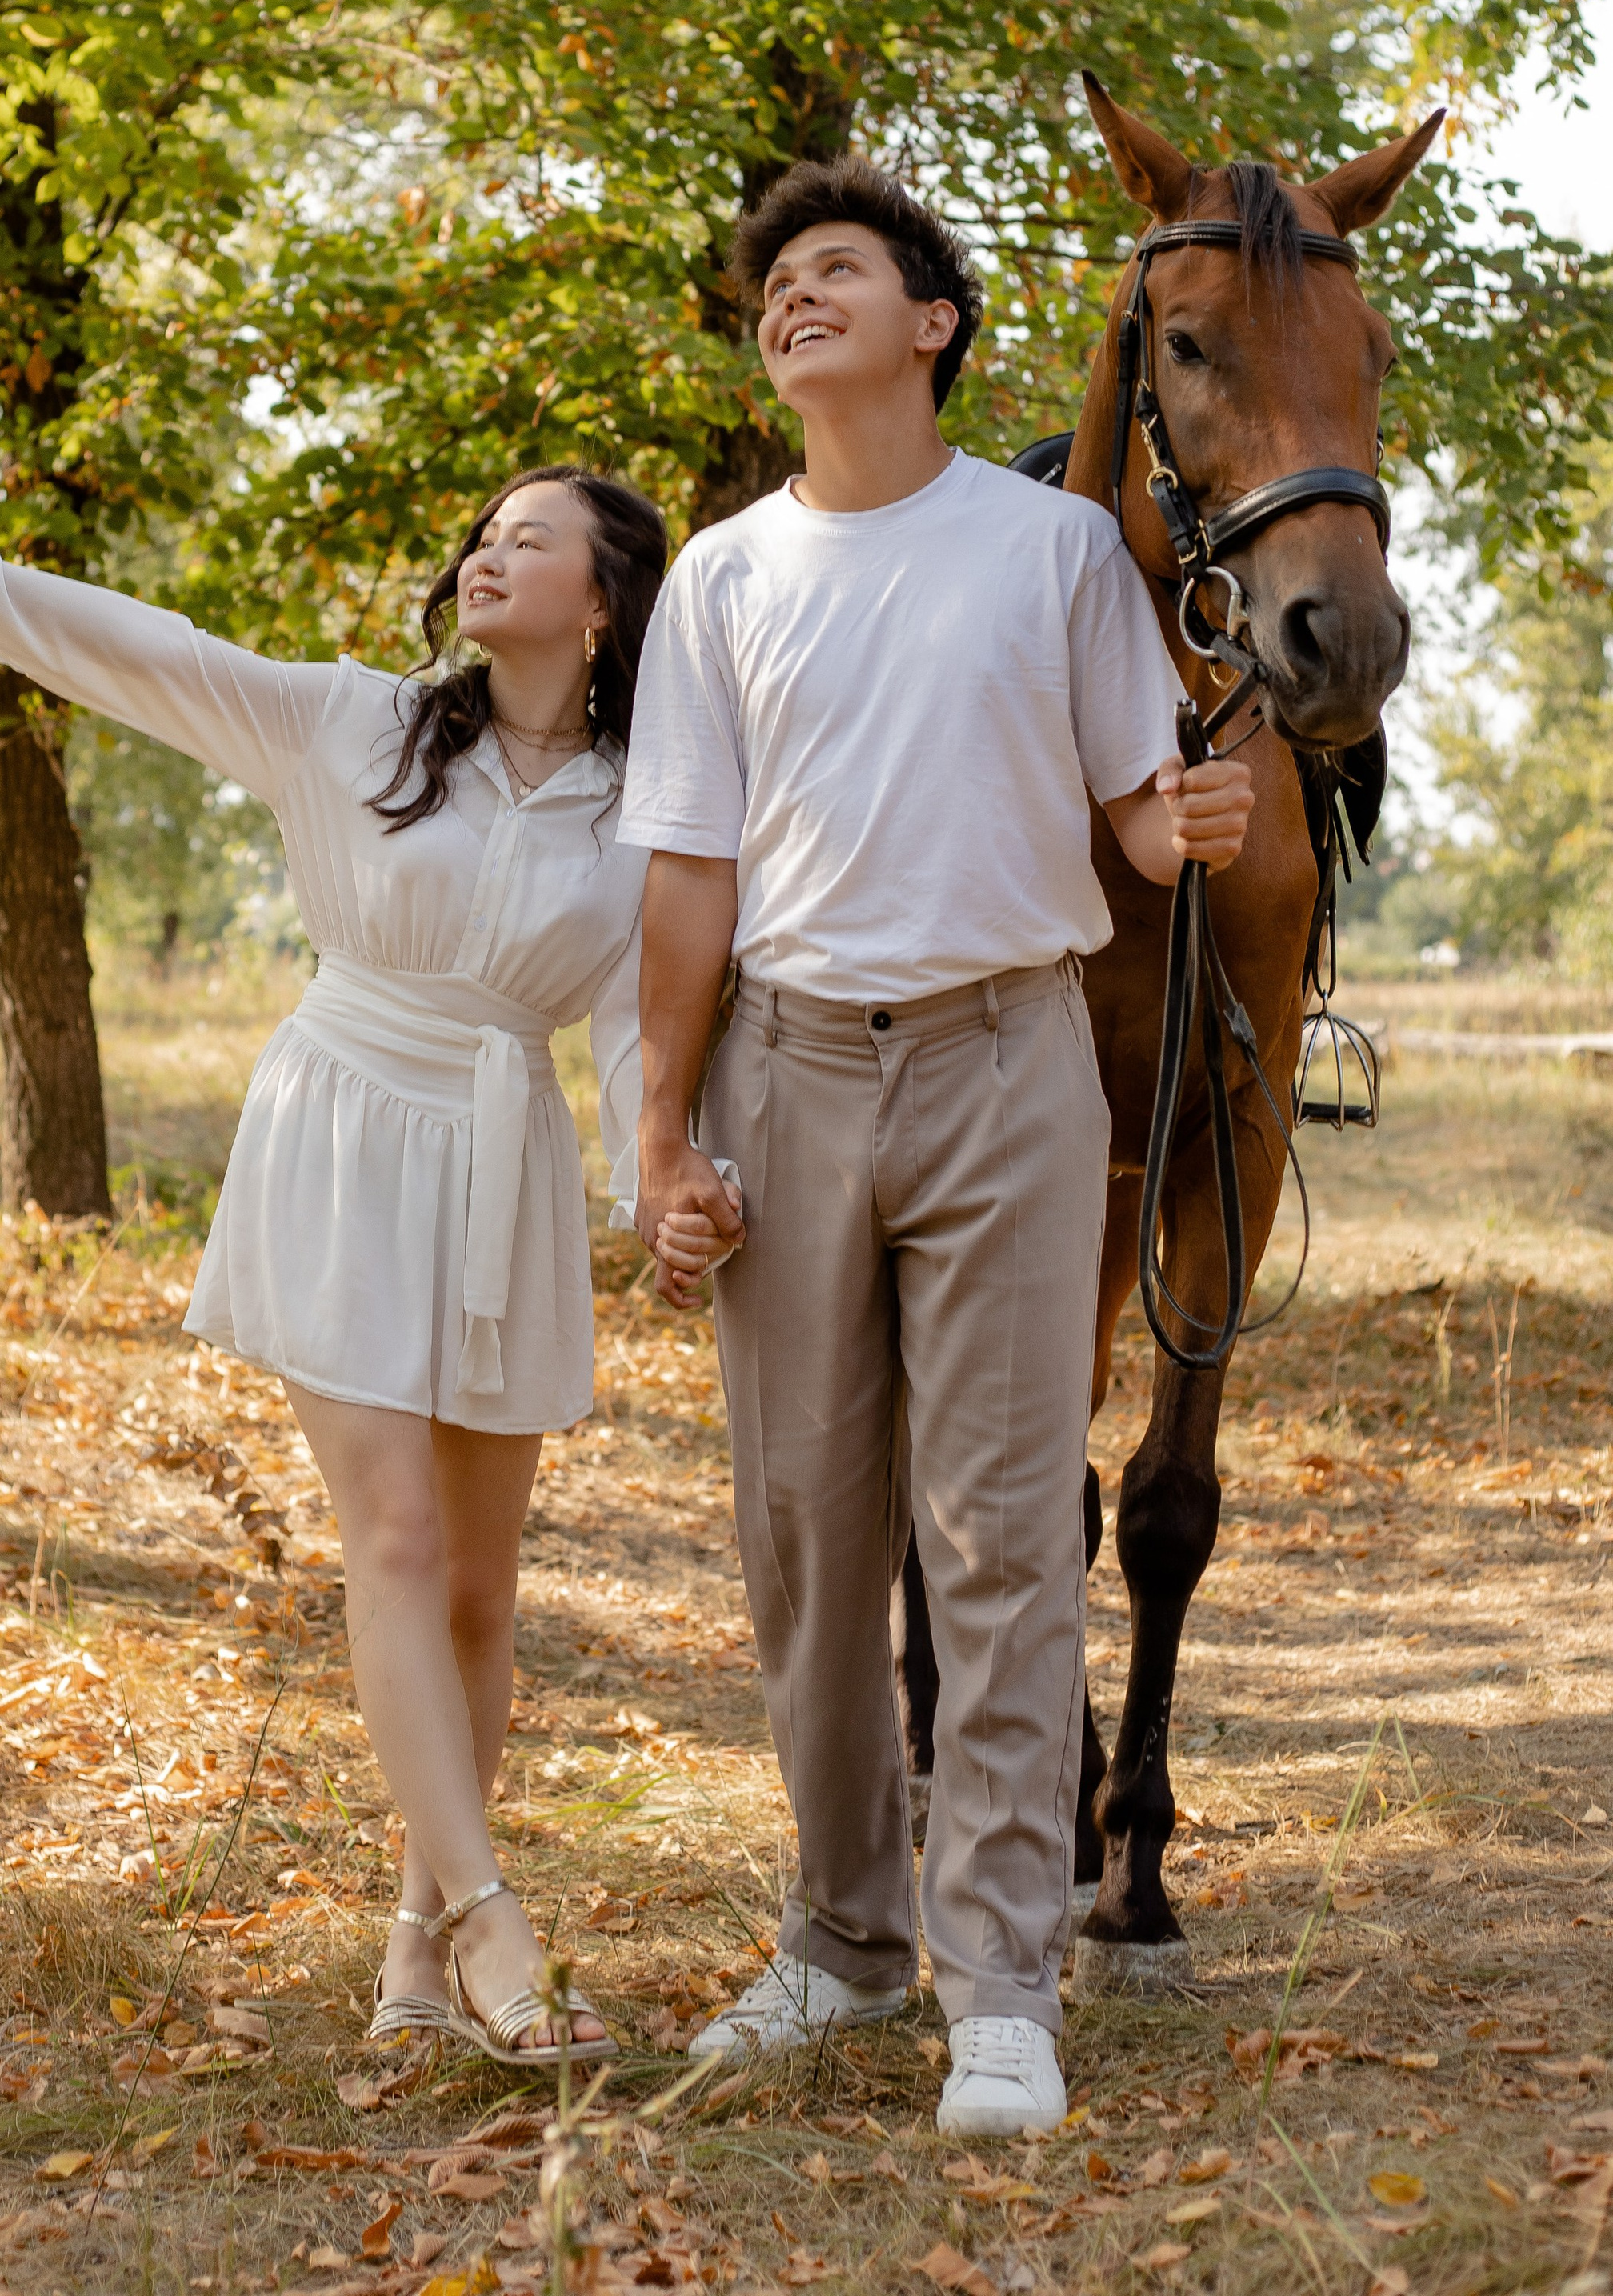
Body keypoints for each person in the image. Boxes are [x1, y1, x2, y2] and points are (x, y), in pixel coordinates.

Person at [0, 464, 666, 2066]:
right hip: (344, 1133)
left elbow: (635, 1023)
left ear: (605, 601)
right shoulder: (351, 722)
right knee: (394, 1536)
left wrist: (664, 1183)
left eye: (530, 539)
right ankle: (496, 1927)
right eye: (481, 535)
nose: (487, 554)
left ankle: (416, 1945)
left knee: (480, 1590)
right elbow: (112, 639)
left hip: (504, 1164)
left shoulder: (642, 801)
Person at [625, 157, 1255, 2134]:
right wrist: (658, 1130)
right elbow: (689, 874)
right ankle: (838, 1942)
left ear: (931, 324)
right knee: (808, 1542)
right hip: (787, 1074)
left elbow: (1129, 809)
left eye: (833, 269)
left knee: (995, 1533)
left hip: (1005, 1064)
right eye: (771, 287)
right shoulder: (721, 577)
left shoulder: (1050, 550)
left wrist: (1188, 823)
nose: (789, 299)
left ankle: (1000, 1986)